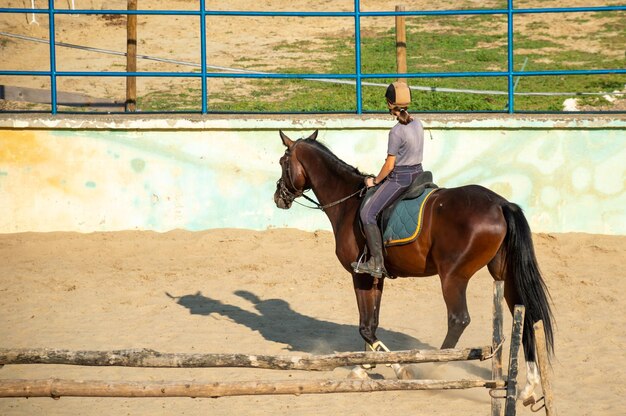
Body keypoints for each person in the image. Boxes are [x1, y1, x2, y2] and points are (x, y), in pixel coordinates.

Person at [352, 81, 425, 279]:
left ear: (389, 104)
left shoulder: (396, 132)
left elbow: (389, 166)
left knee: (367, 212)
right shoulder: (418, 123)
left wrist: (374, 181)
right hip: (419, 173)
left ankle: (376, 262)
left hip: (401, 179)